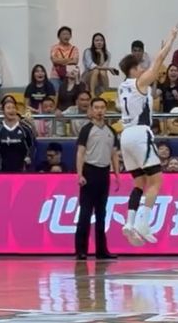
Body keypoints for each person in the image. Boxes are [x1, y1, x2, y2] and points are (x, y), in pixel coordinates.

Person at [117, 23, 178, 246]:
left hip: (125, 135)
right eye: (139, 66)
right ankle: (143, 222)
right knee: (156, 181)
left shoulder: (122, 87)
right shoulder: (138, 82)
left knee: (139, 182)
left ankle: (129, 222)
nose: (143, 69)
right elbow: (158, 64)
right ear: (133, 69)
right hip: (139, 133)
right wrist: (171, 39)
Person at [75, 97, 121, 260]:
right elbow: (80, 153)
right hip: (89, 172)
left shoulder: (111, 131)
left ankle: (102, 250)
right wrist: (80, 174)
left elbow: (114, 154)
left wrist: (117, 174)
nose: (99, 111)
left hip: (104, 173)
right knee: (85, 213)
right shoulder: (86, 130)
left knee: (102, 213)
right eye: (96, 108)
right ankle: (81, 250)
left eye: (102, 107)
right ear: (91, 110)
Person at [0, 95, 36, 172]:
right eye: (8, 108)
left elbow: (32, 146)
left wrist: (27, 160)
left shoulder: (25, 128)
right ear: (3, 111)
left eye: (13, 108)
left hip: (22, 169)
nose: (12, 110)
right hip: (3, 169)